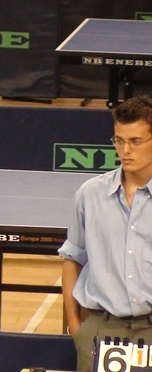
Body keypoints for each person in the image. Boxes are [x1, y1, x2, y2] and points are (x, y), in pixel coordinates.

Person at [59, 94, 152, 372]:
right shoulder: (90, 195)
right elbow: (72, 259)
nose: (125, 150)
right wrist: (76, 328)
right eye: (119, 141)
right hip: (101, 330)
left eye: (135, 141)